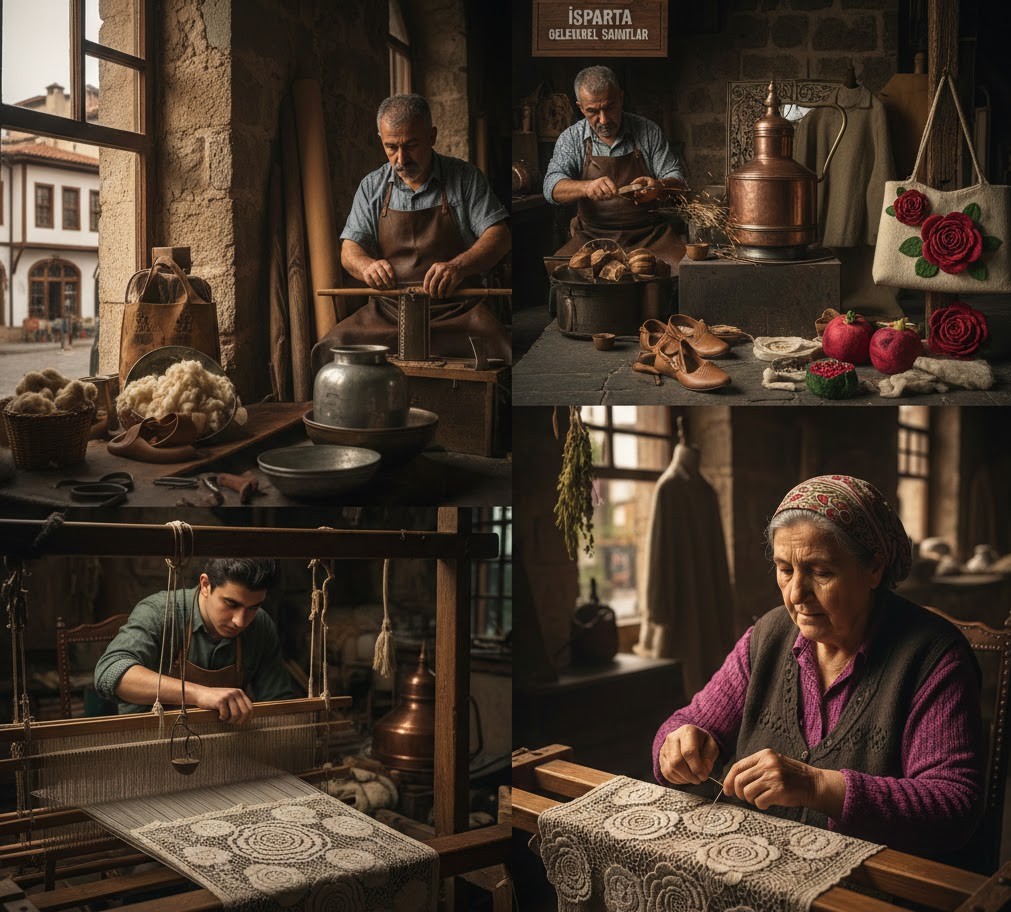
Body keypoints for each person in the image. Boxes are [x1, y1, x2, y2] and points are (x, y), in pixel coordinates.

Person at [652, 475, 984, 855]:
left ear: (874, 569)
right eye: (785, 569)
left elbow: (953, 807)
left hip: (865, 878)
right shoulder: (767, 637)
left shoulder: (933, 657)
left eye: (821, 572)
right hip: (753, 860)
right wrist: (679, 744)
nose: (796, 594)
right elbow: (684, 725)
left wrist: (816, 786)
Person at [311, 93, 511, 373]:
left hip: (457, 311)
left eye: (411, 145)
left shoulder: (465, 178)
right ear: (380, 139)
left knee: (504, 350)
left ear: (432, 136)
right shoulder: (372, 187)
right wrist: (367, 266)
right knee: (330, 349)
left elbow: (500, 236)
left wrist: (458, 267)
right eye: (391, 147)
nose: (401, 158)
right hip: (388, 314)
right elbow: (349, 250)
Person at [95, 558, 294, 723]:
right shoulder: (161, 611)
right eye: (231, 604)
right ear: (205, 585)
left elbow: (278, 702)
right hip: (148, 738)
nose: (240, 621)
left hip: (222, 743)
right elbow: (109, 673)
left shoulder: (260, 625)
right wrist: (199, 694)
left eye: (253, 607)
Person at [545, 65, 687, 270]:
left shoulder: (649, 131)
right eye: (593, 111)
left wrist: (658, 186)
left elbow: (678, 182)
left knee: (684, 271)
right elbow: (551, 187)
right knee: (561, 272)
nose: (603, 119)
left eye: (610, 107)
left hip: (649, 235)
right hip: (592, 238)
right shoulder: (571, 138)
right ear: (580, 107)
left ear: (621, 98)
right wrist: (586, 187)